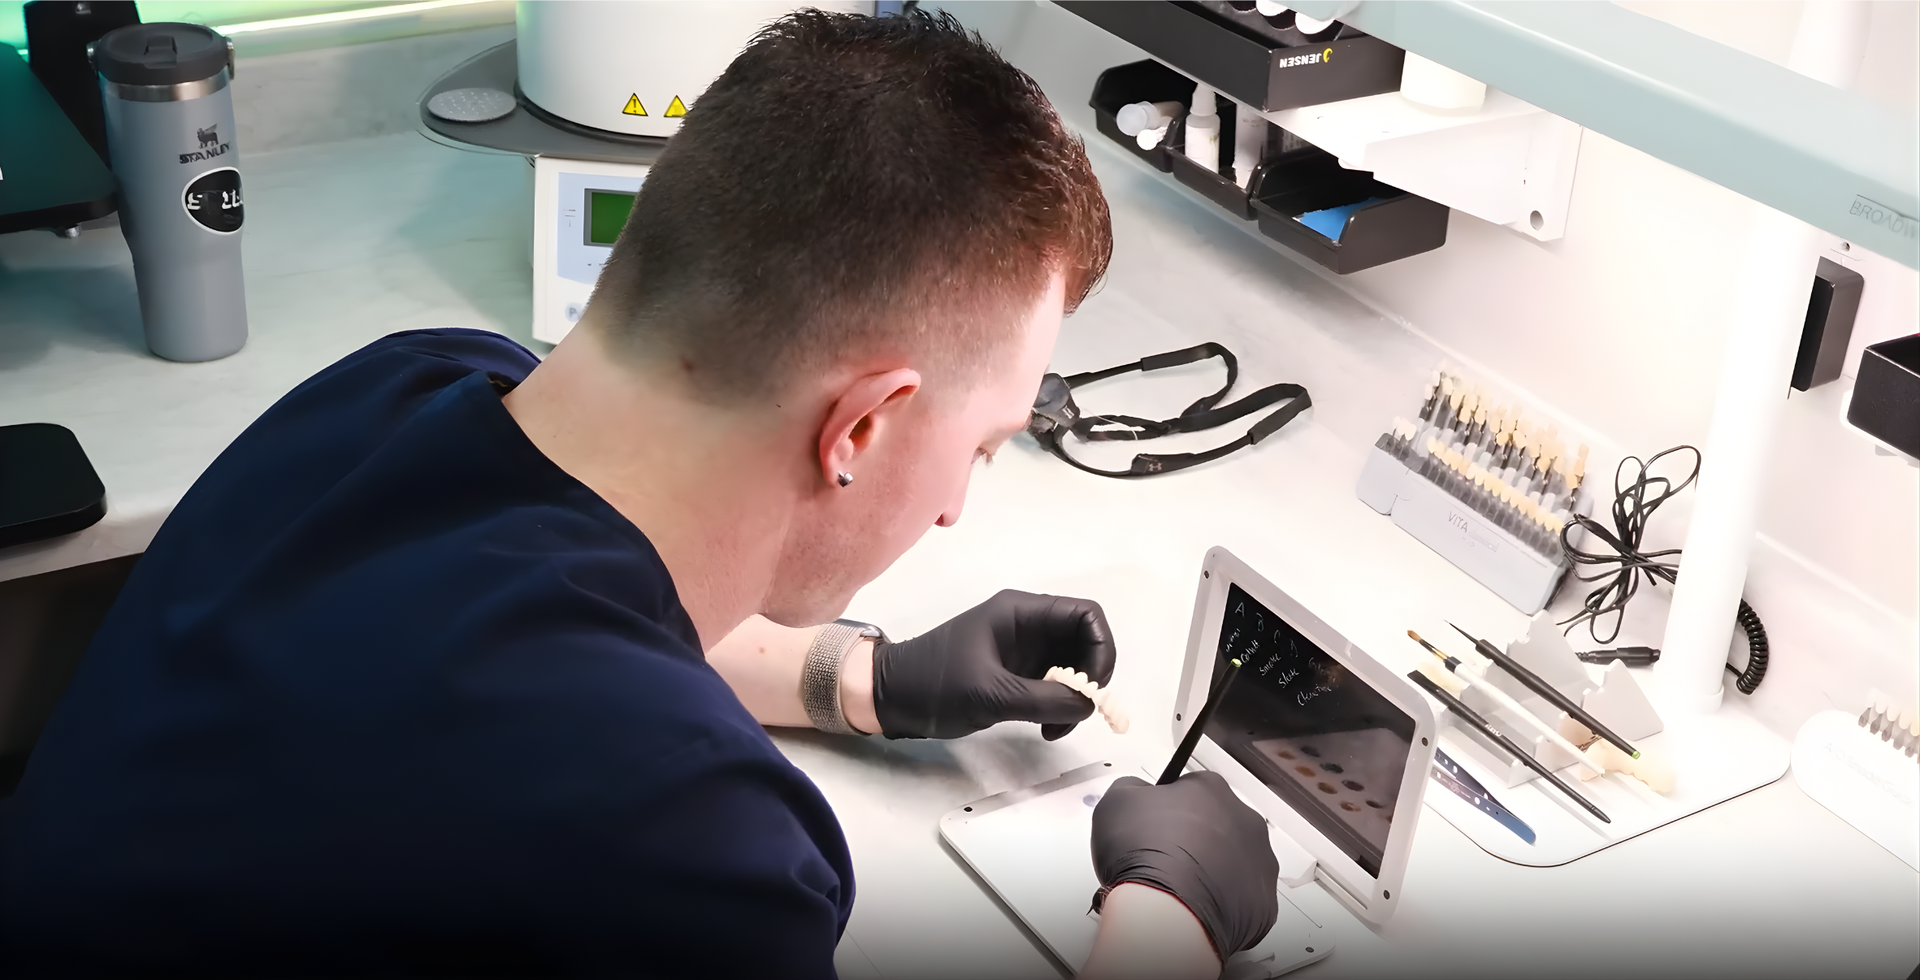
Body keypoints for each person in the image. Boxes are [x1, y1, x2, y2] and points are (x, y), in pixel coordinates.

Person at [0, 10, 1276, 978]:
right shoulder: (689, 839)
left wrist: (865, 678)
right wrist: (1165, 915)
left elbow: (531, 633)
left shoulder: (403, 390)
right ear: (866, 424)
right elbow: (594, 728)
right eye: (987, 443)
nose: (955, 510)